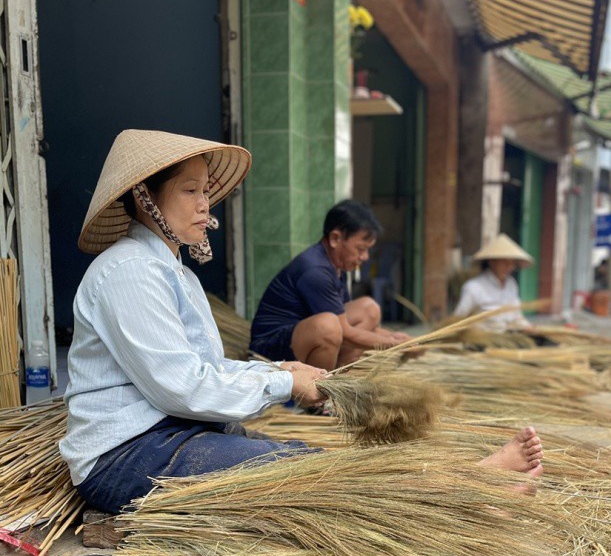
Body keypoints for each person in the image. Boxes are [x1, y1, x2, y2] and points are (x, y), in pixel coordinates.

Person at [60, 130, 327, 515]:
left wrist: (281, 370)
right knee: (295, 474)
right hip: (125, 455)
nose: (205, 205)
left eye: (205, 191)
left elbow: (206, 370)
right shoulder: (129, 271)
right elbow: (182, 388)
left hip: (173, 433)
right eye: (190, 191)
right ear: (145, 197)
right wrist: (284, 384)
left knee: (303, 457)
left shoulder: (177, 275)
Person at [250, 201, 412, 370]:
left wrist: (399, 339)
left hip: (302, 337)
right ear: (335, 239)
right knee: (328, 326)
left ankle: (339, 374)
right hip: (268, 351)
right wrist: (395, 345)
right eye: (360, 248)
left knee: (369, 309)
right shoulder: (315, 270)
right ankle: (321, 390)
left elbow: (348, 325)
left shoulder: (336, 266)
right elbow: (346, 333)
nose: (365, 257)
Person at [453, 234, 533, 329]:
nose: (508, 267)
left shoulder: (512, 284)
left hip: (511, 337)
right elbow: (458, 318)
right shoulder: (473, 287)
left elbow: (517, 316)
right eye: (504, 262)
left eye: (512, 263)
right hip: (486, 339)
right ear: (492, 262)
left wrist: (528, 327)